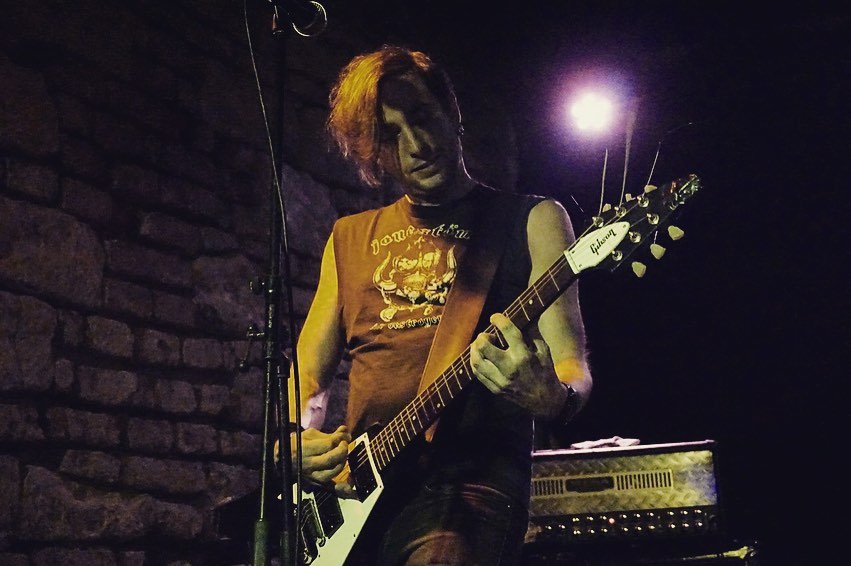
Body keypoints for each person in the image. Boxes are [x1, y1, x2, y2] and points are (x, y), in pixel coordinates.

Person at [287, 44, 592, 565]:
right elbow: (309, 377)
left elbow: (572, 366)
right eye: (390, 135)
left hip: (473, 480)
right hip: (361, 490)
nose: (417, 144)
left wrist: (551, 398)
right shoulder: (349, 238)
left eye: (423, 117)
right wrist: (297, 439)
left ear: (452, 112)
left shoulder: (532, 219)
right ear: (372, 152)